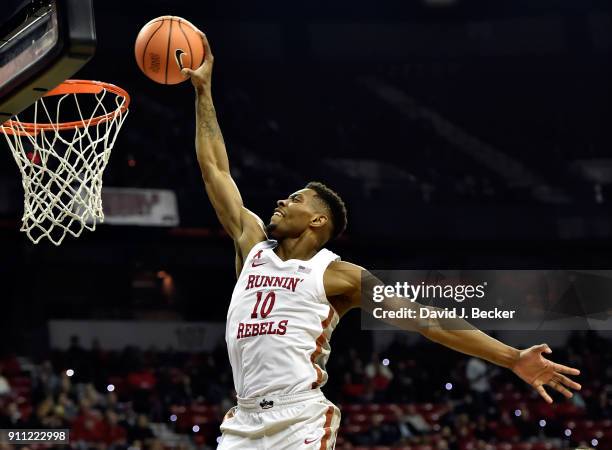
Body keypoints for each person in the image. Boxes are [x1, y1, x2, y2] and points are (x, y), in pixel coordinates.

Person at [181, 34, 582, 450]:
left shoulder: (338, 275)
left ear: (318, 220)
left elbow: (429, 320)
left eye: (296, 199)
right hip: (242, 420)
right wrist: (204, 92)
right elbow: (216, 171)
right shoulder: (253, 247)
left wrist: (512, 357)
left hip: (297, 417)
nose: (282, 200)